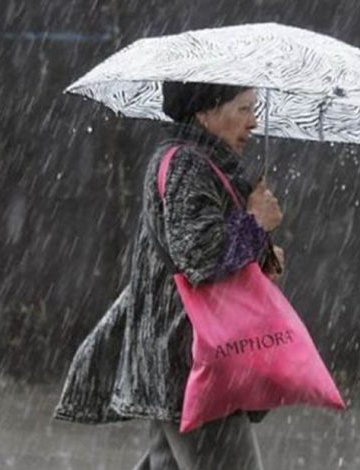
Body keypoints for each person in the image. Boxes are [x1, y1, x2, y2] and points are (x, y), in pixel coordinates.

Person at [55, 81, 284, 469]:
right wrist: (255, 224)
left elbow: (196, 253)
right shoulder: (185, 166)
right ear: (205, 112)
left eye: (254, 109)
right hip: (191, 360)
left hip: (180, 357)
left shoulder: (204, 166)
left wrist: (262, 255)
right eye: (244, 109)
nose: (253, 122)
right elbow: (201, 257)